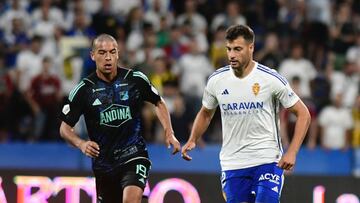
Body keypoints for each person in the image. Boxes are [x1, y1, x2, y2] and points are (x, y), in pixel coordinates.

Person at [181, 25, 311, 203]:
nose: (231, 55)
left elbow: (303, 113)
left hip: (267, 159)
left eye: (237, 49)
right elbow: (205, 113)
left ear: (251, 48)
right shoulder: (216, 81)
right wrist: (193, 139)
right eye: (228, 49)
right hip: (233, 163)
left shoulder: (270, 79)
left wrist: (292, 152)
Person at [59, 34, 180, 203]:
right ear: (92, 56)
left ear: (118, 54)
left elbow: (158, 102)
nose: (107, 57)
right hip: (104, 164)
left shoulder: (135, 79)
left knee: (130, 200)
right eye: (102, 52)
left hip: (134, 153)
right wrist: (81, 144)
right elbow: (64, 129)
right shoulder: (83, 90)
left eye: (112, 52)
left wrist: (169, 133)